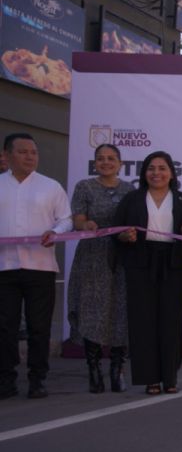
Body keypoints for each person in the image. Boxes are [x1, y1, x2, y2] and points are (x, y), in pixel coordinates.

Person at [114, 150, 182, 395]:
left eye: (162, 168)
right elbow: (116, 231)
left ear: (171, 173)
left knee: (171, 320)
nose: (156, 173)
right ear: (144, 172)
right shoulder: (131, 199)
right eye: (151, 168)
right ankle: (150, 378)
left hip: (173, 264)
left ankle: (170, 377)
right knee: (143, 320)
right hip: (140, 262)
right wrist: (123, 236)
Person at [0, 133, 72, 399]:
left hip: (40, 267)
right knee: (5, 327)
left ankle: (37, 379)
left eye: (34, 152)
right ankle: (6, 379)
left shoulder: (50, 186)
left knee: (38, 326)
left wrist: (55, 231)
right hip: (4, 267)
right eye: (23, 152)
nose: (30, 157)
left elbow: (66, 220)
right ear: (7, 155)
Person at [68, 143, 135, 393]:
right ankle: (93, 370)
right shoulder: (84, 187)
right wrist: (85, 225)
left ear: (120, 163)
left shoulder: (129, 190)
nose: (106, 162)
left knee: (120, 313)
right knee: (92, 312)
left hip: (121, 258)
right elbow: (78, 218)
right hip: (93, 258)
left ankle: (117, 369)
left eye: (111, 158)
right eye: (100, 158)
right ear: (95, 163)